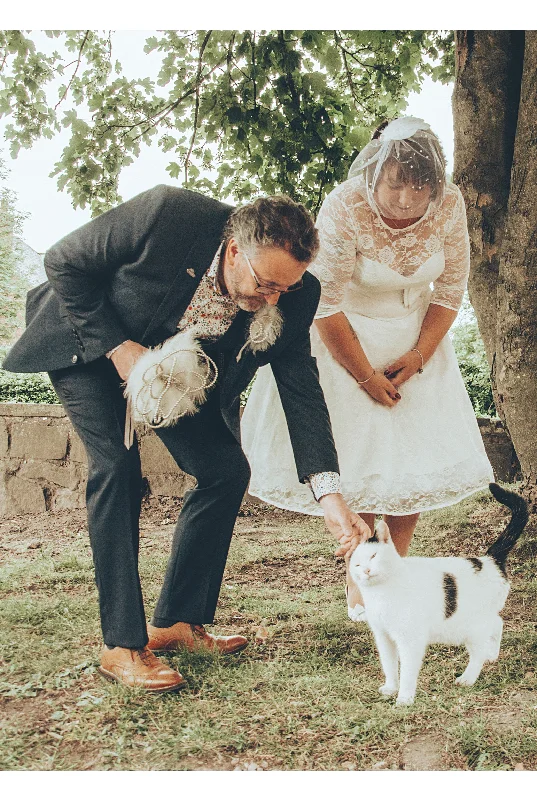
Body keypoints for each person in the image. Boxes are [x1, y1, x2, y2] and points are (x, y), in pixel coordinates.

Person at [3, 187, 369, 693]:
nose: (273, 299)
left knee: (226, 470)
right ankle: (122, 645)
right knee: (118, 467)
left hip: (179, 372)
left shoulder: (294, 295)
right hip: (91, 342)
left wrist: (330, 495)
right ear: (236, 249)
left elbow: (301, 392)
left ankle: (176, 620)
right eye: (266, 285)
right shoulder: (169, 216)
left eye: (286, 288)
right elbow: (64, 261)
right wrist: (118, 348)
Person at [242, 117, 494, 619]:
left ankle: (392, 574)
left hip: (417, 342)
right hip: (345, 339)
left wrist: (419, 357)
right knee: (355, 465)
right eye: (395, 184)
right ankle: (360, 575)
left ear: (434, 185)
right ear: (375, 175)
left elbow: (450, 290)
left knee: (409, 467)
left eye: (418, 187)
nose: (405, 198)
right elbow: (324, 301)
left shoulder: (450, 206)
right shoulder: (344, 205)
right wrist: (365, 376)